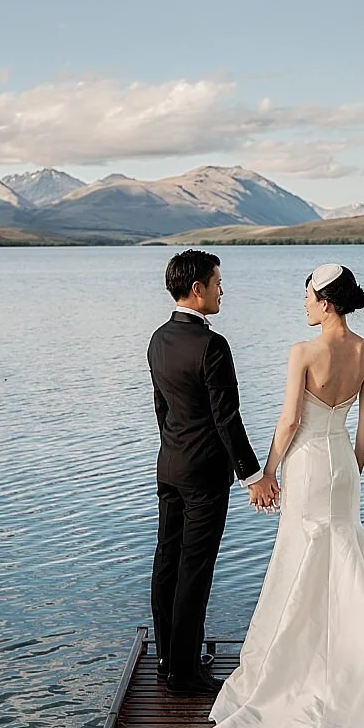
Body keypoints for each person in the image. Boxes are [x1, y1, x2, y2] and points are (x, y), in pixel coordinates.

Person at [169, 262, 364, 728]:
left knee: (298, 559)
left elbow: (289, 421)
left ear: (325, 301)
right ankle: (352, 674)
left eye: (308, 295)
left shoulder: (303, 353)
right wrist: (352, 469)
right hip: (342, 466)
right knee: (343, 562)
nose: (304, 303)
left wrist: (267, 471)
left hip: (306, 464)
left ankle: (293, 670)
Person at [146, 250, 267, 697]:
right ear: (197, 289)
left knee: (167, 561)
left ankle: (166, 659)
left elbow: (163, 409)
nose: (221, 291)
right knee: (194, 570)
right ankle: (185, 673)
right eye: (217, 283)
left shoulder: (158, 339)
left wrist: (175, 449)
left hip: (169, 465)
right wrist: (252, 476)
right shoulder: (212, 346)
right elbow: (226, 419)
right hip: (203, 475)